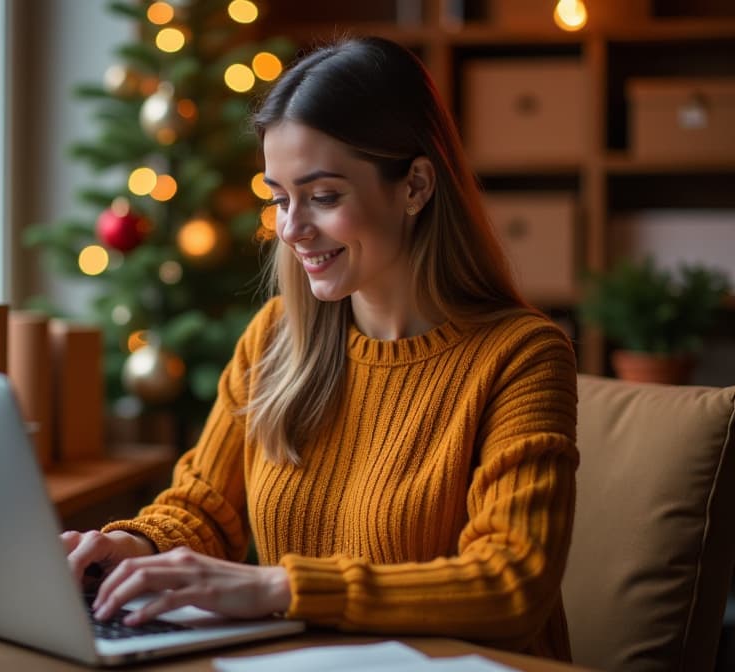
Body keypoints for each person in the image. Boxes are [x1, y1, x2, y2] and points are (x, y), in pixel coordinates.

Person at [62, 36, 579, 662]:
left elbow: (511, 583)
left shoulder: (521, 357)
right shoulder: (278, 336)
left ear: (415, 185)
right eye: (279, 198)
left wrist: (279, 587)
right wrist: (134, 547)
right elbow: (203, 507)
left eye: (323, 196)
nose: (290, 228)